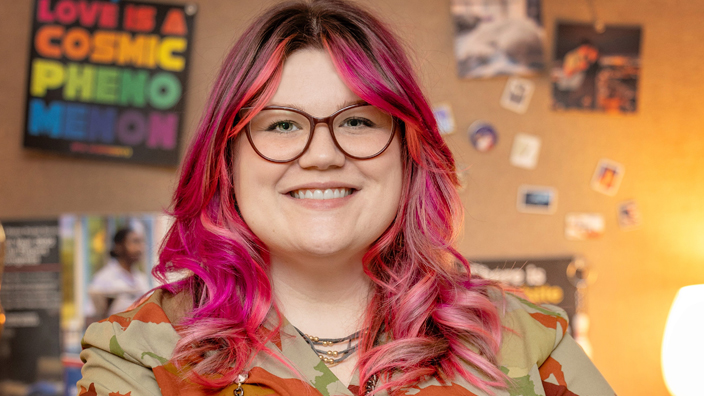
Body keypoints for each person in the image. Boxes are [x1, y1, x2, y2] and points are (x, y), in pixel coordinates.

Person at [78, 1, 615, 395]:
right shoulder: (141, 353)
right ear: (227, 159)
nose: (321, 156)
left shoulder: (523, 337)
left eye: (357, 120)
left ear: (408, 152)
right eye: (283, 124)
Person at [87, 227, 150, 318]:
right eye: (135, 242)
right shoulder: (104, 278)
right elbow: (92, 314)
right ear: (119, 246)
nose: (140, 248)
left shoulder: (141, 278)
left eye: (141, 242)